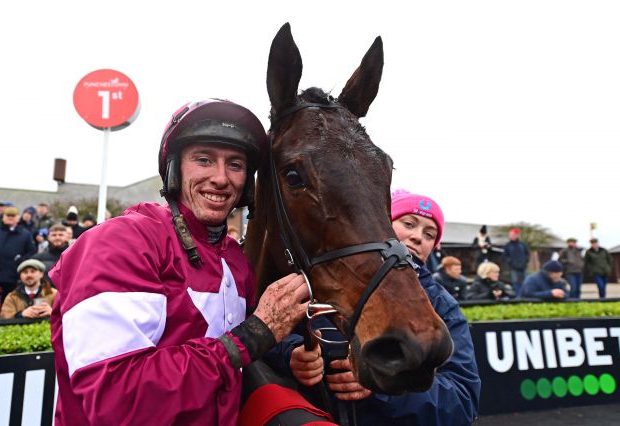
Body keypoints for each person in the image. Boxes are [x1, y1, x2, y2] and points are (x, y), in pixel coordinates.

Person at [50, 99, 310, 425]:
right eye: (203, 160)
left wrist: (289, 355)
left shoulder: (233, 257)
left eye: (235, 165)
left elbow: (240, 333)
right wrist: (254, 335)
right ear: (174, 168)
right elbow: (117, 401)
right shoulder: (119, 243)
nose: (220, 178)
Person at [269, 189, 480, 425]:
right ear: (379, 222)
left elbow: (462, 402)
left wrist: (384, 388)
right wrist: (291, 354)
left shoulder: (443, 306)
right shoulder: (322, 277)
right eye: (409, 223)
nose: (418, 237)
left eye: (429, 234)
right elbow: (266, 338)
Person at [0, 207, 37, 302]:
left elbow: (31, 252)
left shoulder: (25, 235)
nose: (10, 218)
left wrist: (20, 261)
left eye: (13, 216)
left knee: (8, 304)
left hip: (13, 278)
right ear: (3, 217)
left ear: (18, 218)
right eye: (8, 215)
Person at [503, 228, 529, 296]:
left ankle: (525, 295)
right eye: (510, 235)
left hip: (523, 267)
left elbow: (527, 254)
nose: (511, 236)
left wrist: (525, 262)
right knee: (515, 282)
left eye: (513, 235)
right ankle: (518, 296)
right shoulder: (507, 246)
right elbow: (505, 256)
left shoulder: (522, 245)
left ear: (517, 235)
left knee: (525, 281)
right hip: (513, 267)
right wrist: (511, 263)